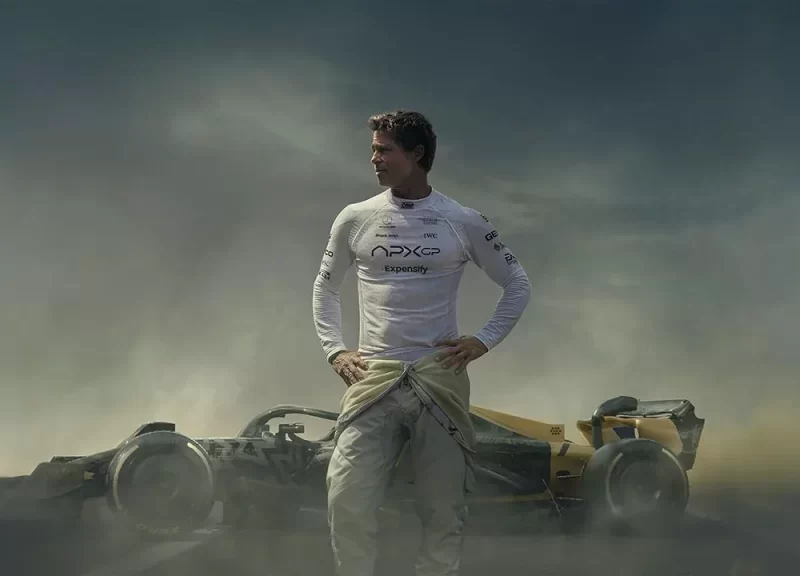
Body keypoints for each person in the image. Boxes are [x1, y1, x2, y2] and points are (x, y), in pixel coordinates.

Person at [312, 110, 531, 576]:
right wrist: (335, 349)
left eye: (384, 150)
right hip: (373, 379)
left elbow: (517, 283)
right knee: (346, 498)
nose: (374, 159)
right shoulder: (356, 217)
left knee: (442, 510)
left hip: (438, 379)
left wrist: (483, 341)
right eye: (373, 150)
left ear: (416, 155)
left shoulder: (462, 220)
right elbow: (325, 287)